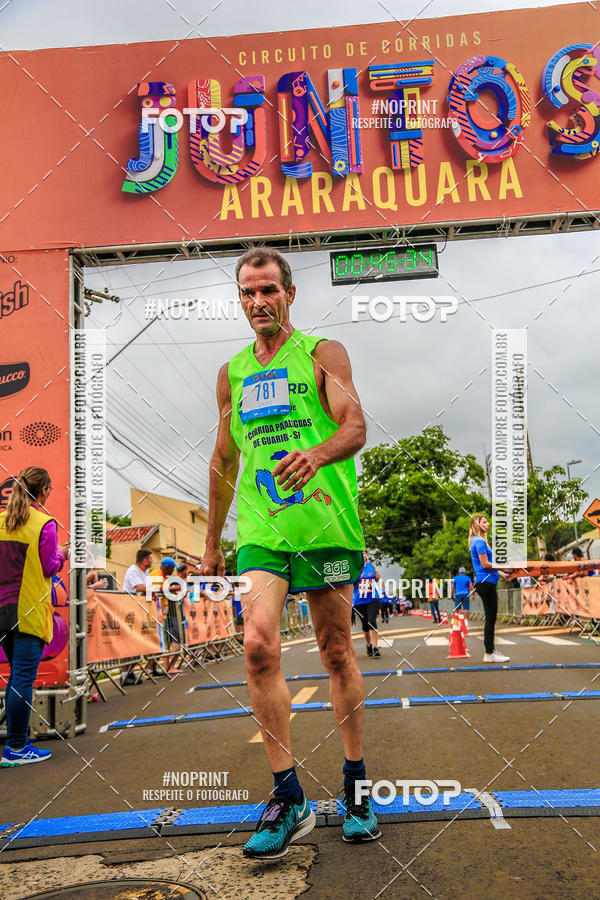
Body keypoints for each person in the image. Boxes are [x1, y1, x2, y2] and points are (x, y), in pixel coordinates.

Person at [201, 247, 380, 860]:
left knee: (335, 651)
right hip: (260, 529)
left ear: (289, 295)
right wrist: (211, 545)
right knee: (257, 645)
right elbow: (224, 462)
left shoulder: (322, 354)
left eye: (268, 291)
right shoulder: (230, 373)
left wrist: (318, 455)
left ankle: (356, 786)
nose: (258, 302)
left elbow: (355, 427)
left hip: (325, 526)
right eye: (248, 293)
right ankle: (287, 795)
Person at [0, 468, 67, 766]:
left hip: (2, 610)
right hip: (28, 611)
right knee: (22, 679)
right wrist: (63, 555)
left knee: (15, 677)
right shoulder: (44, 523)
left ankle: (17, 743)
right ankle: (16, 746)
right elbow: (49, 566)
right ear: (44, 491)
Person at [469, 514, 513, 663]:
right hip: (485, 582)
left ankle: (491, 650)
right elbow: (485, 564)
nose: (488, 524)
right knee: (491, 618)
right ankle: (489, 653)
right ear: (477, 525)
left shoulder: (479, 541)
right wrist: (504, 568)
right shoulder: (479, 542)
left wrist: (502, 574)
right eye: (484, 522)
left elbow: (490, 565)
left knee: (491, 618)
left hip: (487, 581)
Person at [353, 550, 381, 658]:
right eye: (360, 553)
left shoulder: (371, 565)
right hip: (359, 600)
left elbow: (377, 579)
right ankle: (368, 644)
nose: (362, 554)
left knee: (371, 621)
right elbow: (350, 584)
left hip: (372, 598)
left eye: (364, 553)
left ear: (367, 555)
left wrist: (377, 574)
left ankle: (375, 647)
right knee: (365, 624)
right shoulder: (354, 568)